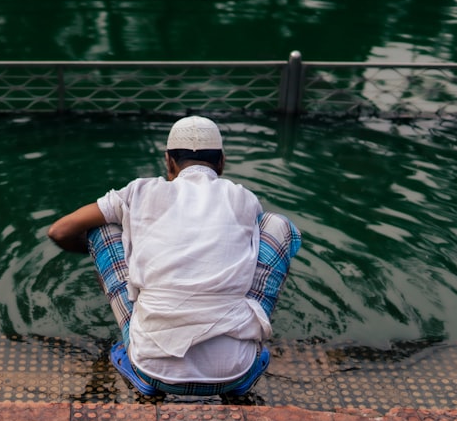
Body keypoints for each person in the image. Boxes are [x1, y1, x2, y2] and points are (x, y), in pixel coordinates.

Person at [47, 116, 301, 396]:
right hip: (236, 370)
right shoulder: (244, 198)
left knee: (103, 228)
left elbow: (60, 231)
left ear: (168, 161)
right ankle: (248, 350)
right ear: (222, 162)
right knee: (278, 225)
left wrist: (108, 254)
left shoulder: (139, 191)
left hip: (151, 368)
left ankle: (138, 367)